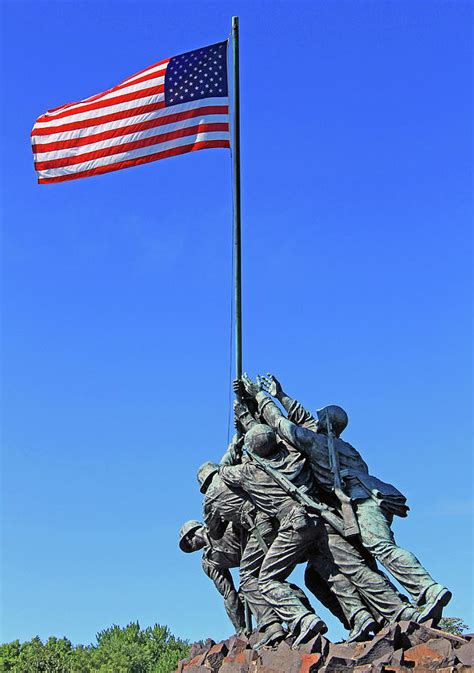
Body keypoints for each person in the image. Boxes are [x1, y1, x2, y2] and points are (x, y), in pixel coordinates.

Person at [246, 373, 451, 623]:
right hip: (372, 498)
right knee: (366, 558)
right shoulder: (345, 446)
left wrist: (260, 396)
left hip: (361, 501)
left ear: (328, 424)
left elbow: (281, 425)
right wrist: (281, 395)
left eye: (320, 417)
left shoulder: (318, 443)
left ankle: (428, 589)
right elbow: (303, 419)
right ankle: (398, 609)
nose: (314, 418)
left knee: (381, 548)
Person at [219, 423, 418, 647]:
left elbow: (223, 470)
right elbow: (291, 436)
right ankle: (392, 610)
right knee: (351, 569)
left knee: (266, 579)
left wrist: (234, 446)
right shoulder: (296, 456)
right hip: (322, 518)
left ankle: (304, 620)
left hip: (294, 526)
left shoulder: (249, 472)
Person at [179, 519, 246, 634]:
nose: (189, 543)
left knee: (259, 587)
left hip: (259, 551)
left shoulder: (219, 523)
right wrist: (240, 629)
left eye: (188, 540)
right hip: (249, 568)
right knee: (243, 594)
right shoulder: (208, 562)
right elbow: (228, 592)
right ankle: (243, 632)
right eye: (186, 544)